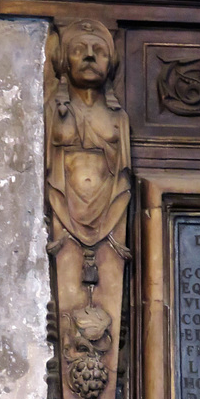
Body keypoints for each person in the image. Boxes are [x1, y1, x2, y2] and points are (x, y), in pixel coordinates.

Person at [47, 19, 130, 254]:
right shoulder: (53, 110)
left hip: (111, 209)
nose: (90, 57)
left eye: (99, 51)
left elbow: (123, 176)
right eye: (78, 50)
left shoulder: (119, 118)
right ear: (64, 62)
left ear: (111, 63)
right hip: (64, 206)